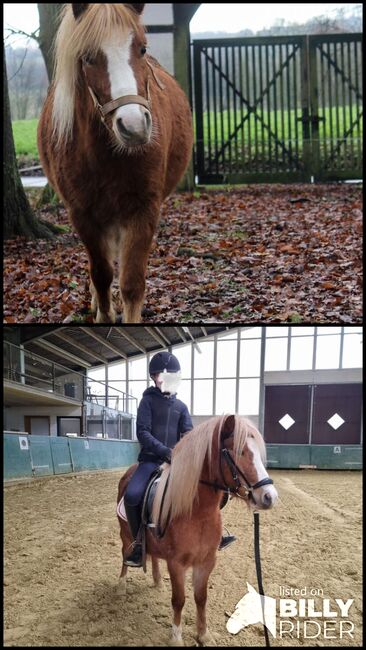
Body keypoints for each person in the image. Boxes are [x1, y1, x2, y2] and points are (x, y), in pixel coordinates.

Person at [123, 351, 236, 568]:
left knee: (215, 492)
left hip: (177, 464)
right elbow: (143, 433)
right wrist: (166, 452)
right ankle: (139, 543)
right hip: (150, 461)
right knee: (133, 495)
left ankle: (215, 535)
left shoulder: (181, 407)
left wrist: (186, 454)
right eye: (162, 375)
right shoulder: (146, 402)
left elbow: (189, 434)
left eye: (172, 375)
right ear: (154, 377)